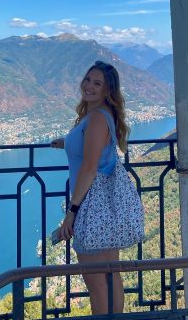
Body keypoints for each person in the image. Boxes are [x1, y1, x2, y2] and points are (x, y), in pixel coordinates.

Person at [50, 60, 130, 314]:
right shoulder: (100, 115)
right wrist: (67, 143)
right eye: (87, 80)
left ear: (108, 91)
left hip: (90, 207)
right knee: (110, 275)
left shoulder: (96, 117)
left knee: (96, 283)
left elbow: (89, 167)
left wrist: (72, 211)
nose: (89, 86)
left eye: (97, 83)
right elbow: (92, 147)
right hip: (106, 209)